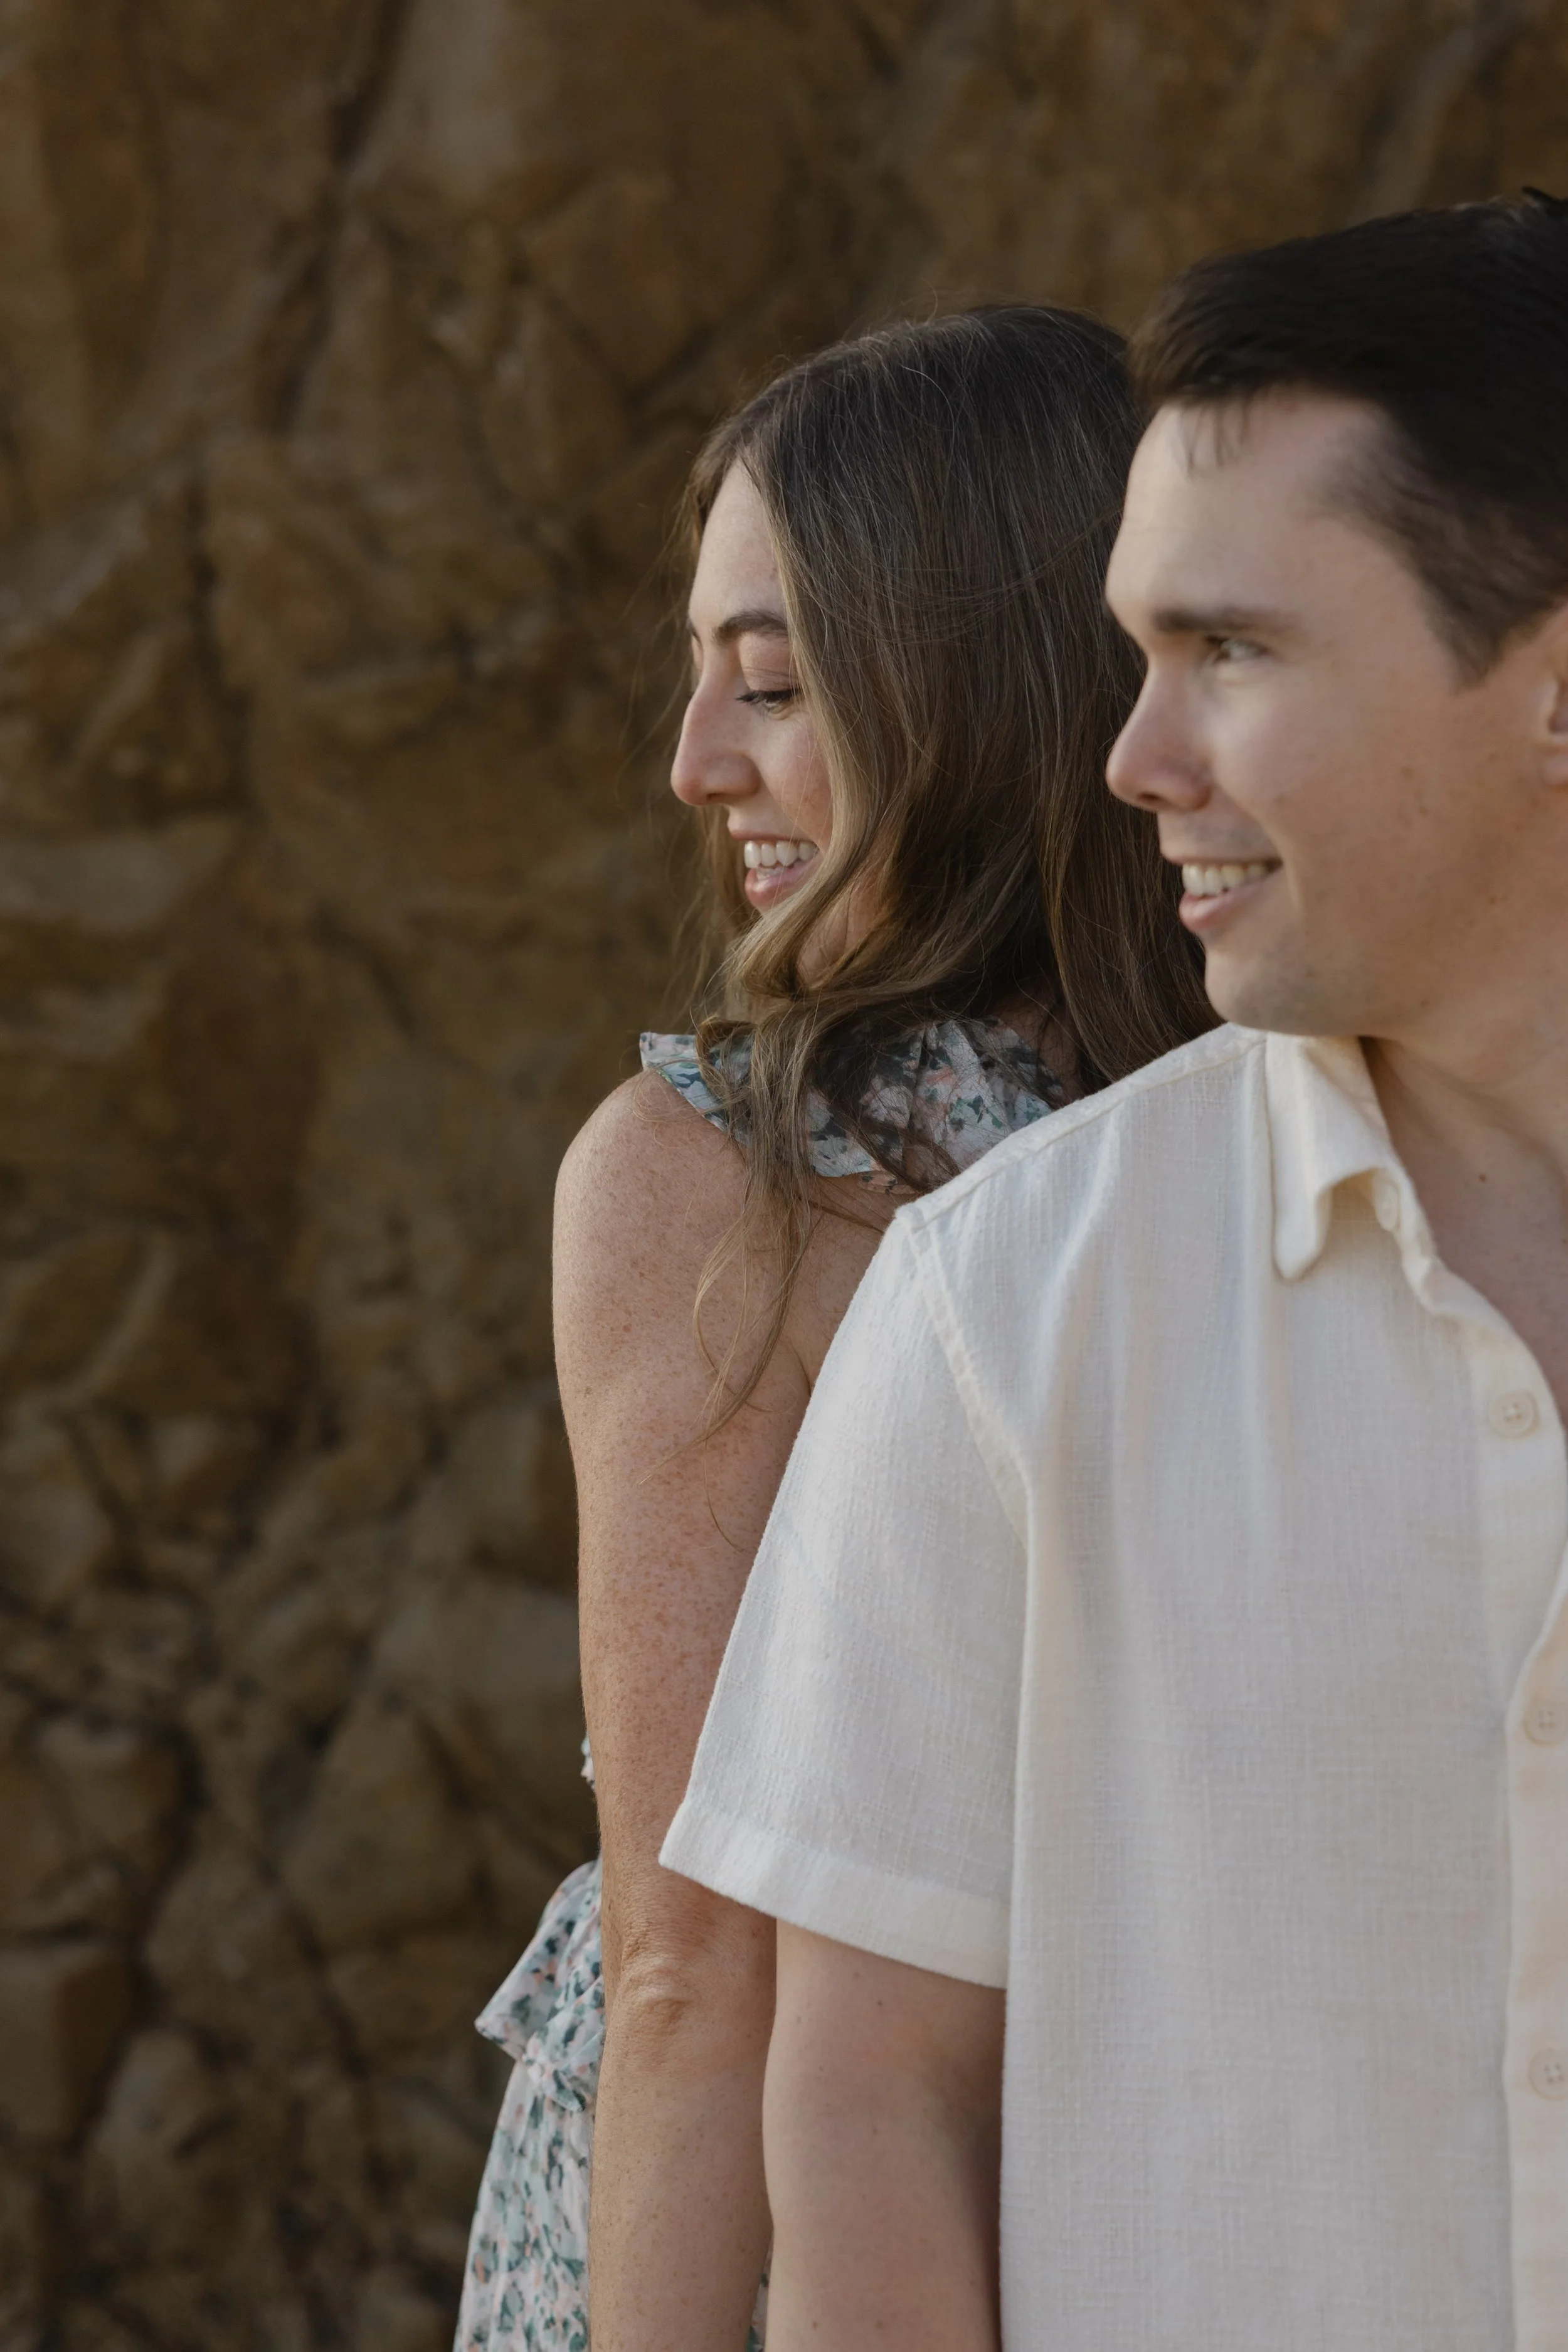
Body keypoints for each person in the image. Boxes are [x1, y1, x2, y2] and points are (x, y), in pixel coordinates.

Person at [662, 189, 1568, 2351]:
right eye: (1131, 648)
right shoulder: (1001, 1308)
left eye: (1231, 651)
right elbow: (872, 2099)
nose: (1129, 760)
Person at [454, 307, 1213, 2352]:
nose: (697, 764)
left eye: (771, 684)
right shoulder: (1324, 1137)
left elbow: (696, 1958)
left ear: (982, 683)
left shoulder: (732, 1180)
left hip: (795, 2244)